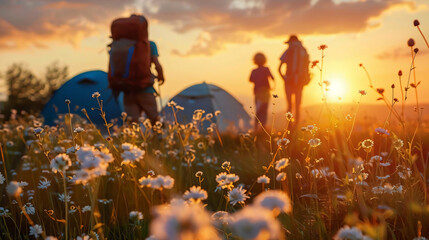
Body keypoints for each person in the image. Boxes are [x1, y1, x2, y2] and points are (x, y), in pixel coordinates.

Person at [123, 40, 165, 124]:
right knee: (155, 121)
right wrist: (161, 76)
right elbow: (157, 64)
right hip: (146, 89)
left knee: (132, 124)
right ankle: (159, 136)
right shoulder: (149, 45)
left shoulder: (121, 45)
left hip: (127, 90)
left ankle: (134, 137)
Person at [278, 35, 310, 123]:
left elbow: (279, 68)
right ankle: (296, 125)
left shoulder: (289, 51)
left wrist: (284, 78)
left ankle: (289, 125)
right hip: (300, 81)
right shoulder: (303, 50)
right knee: (298, 105)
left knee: (289, 105)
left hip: (289, 80)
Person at [249, 52, 274, 131]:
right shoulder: (266, 69)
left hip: (258, 92)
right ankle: (263, 127)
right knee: (264, 110)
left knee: (258, 110)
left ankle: (256, 127)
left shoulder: (254, 71)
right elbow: (272, 78)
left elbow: (250, 79)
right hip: (266, 92)